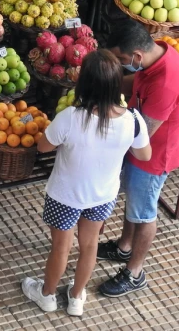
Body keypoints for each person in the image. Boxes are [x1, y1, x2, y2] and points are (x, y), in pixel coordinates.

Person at [21, 49, 152, 316]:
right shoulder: (133, 120)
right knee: (89, 246)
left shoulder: (70, 116)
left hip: (65, 195)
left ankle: (46, 294)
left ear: (84, 83)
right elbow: (144, 154)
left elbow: (44, 146)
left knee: (61, 246)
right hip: (102, 196)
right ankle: (76, 297)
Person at [97, 20, 179, 298]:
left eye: (122, 61)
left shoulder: (165, 83)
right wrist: (101, 83)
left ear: (136, 56)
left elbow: (142, 135)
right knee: (134, 204)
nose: (122, 65)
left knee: (144, 212)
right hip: (140, 151)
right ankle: (124, 246)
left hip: (153, 157)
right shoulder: (157, 55)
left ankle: (135, 272)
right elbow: (133, 82)